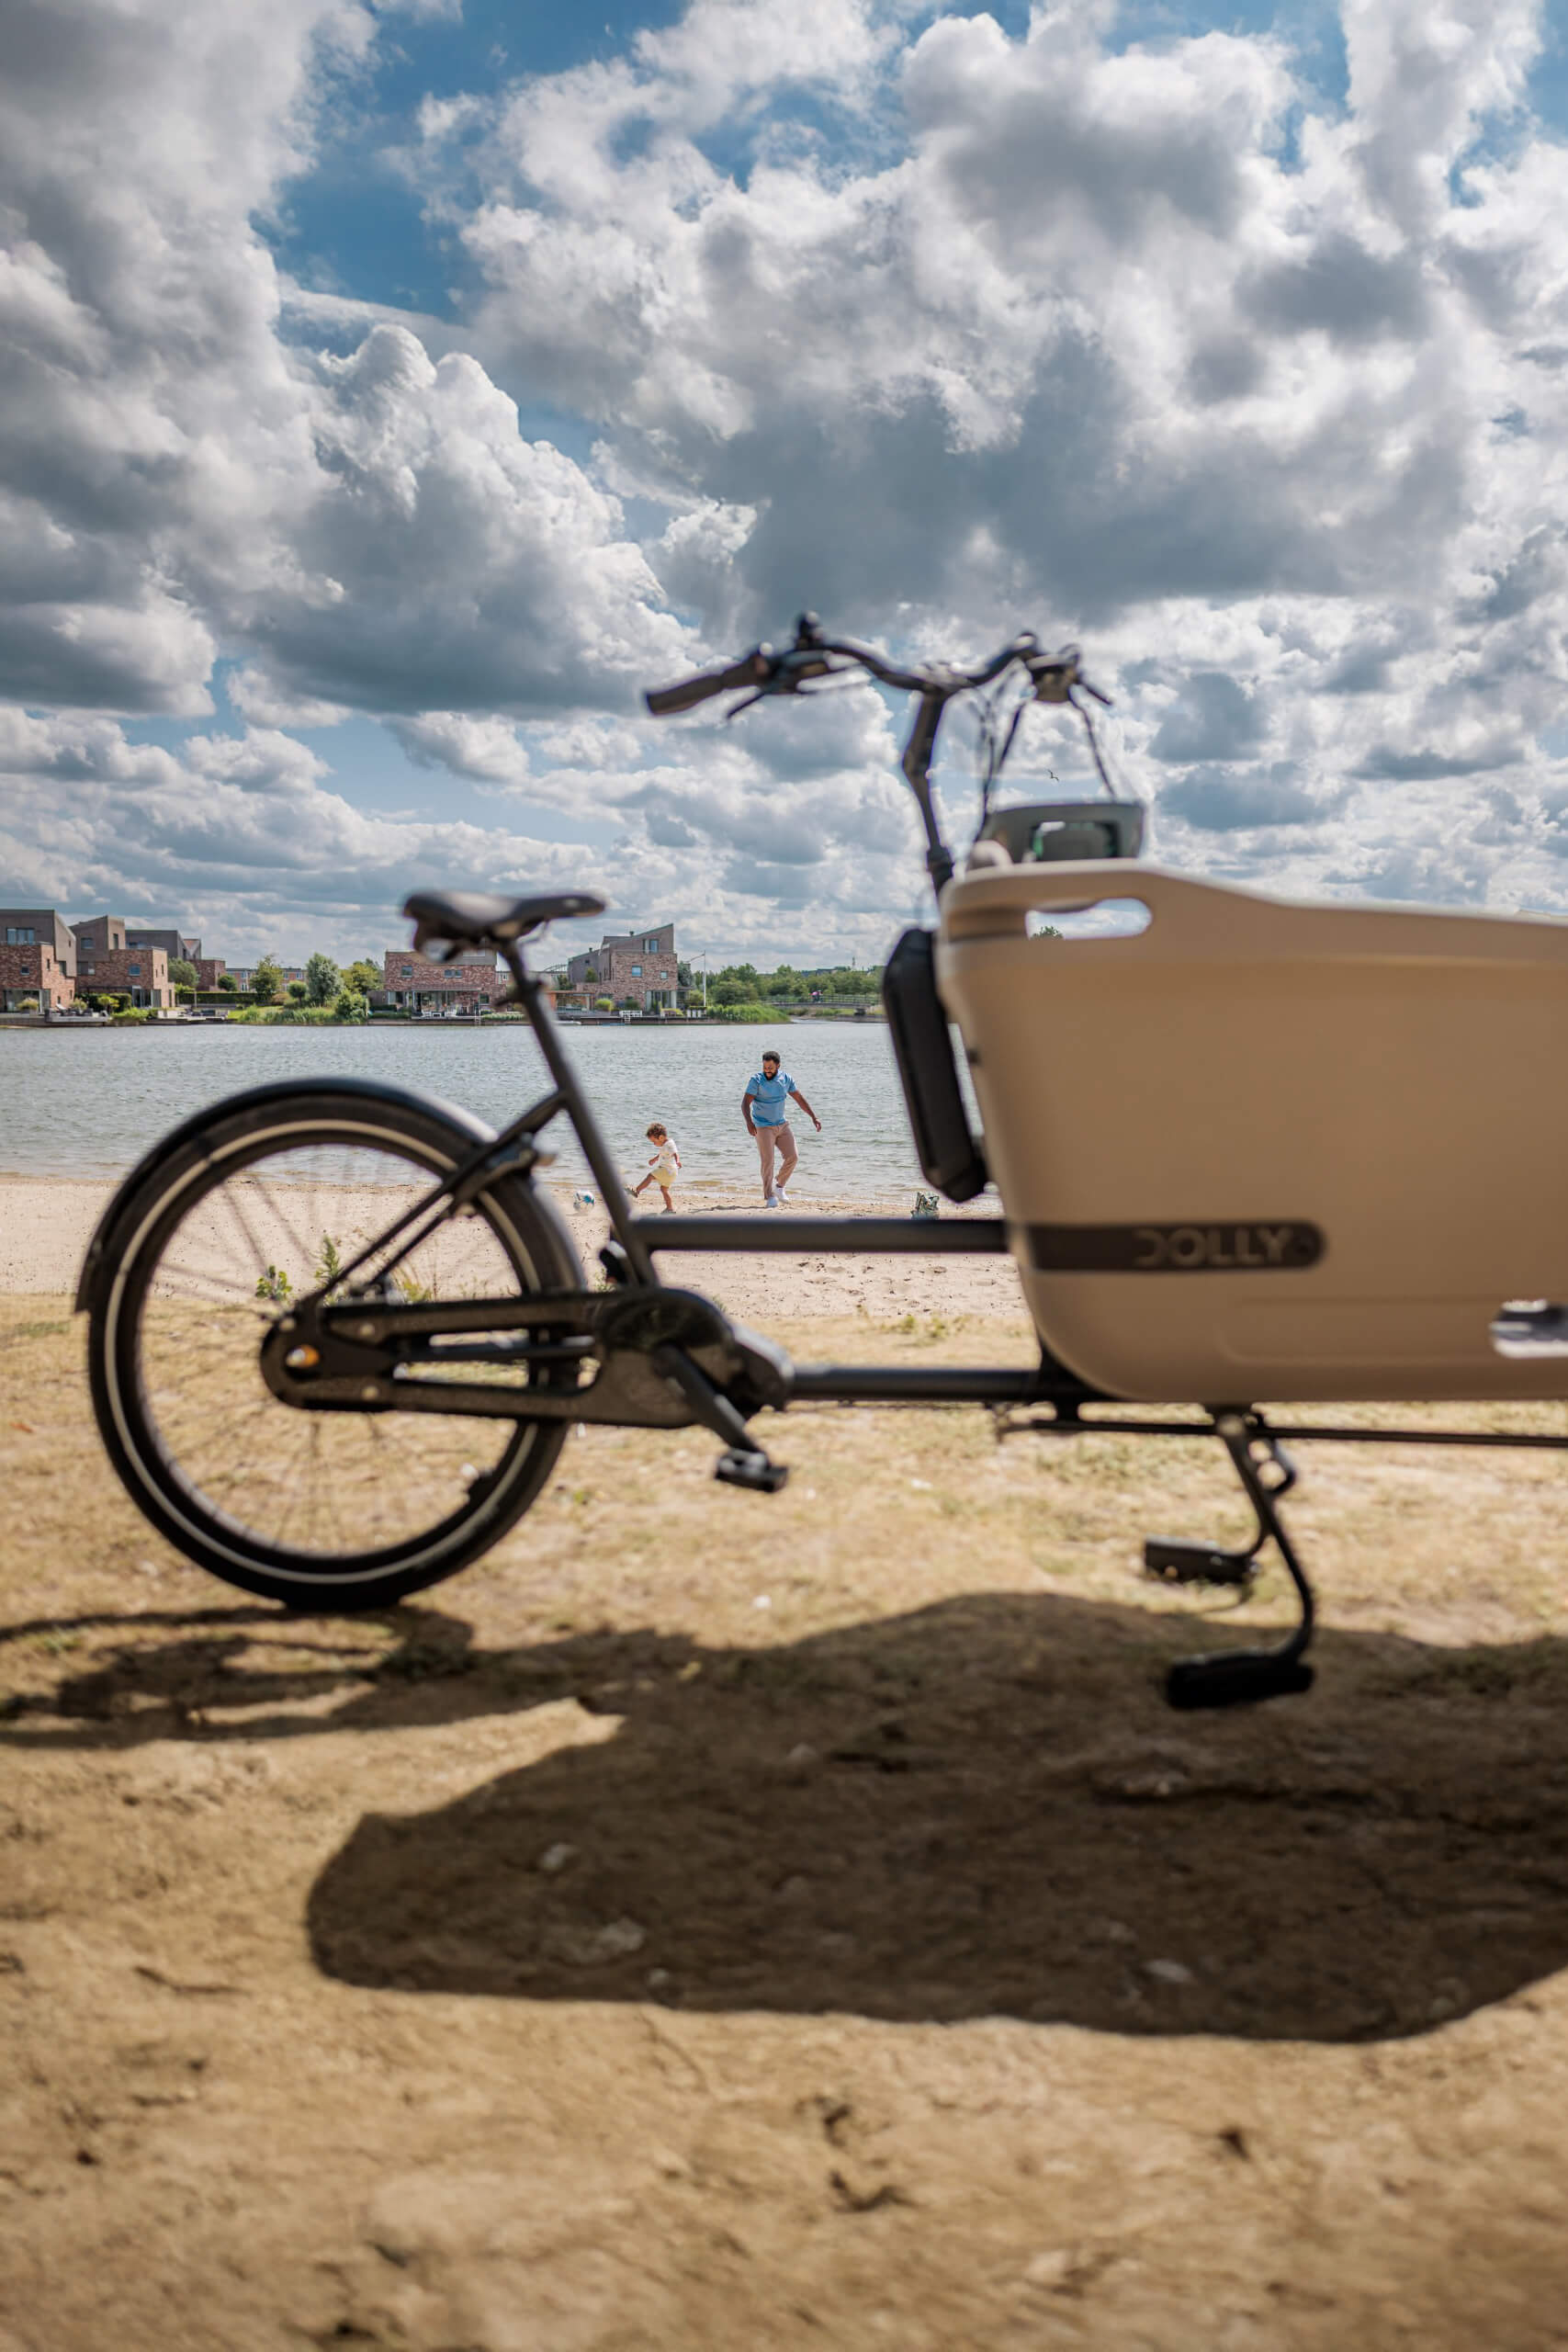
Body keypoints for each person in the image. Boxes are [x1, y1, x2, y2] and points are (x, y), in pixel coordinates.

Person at [741, 1049, 821, 1207]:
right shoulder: (756, 1080)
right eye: (765, 1067)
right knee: (768, 1161)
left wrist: (813, 1116)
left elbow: (799, 1098)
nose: (767, 1070)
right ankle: (769, 1196)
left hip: (782, 1124)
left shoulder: (786, 1079)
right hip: (763, 1126)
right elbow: (745, 1103)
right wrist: (749, 1122)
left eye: (770, 1067)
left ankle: (779, 1187)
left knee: (793, 1156)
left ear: (778, 1066)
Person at [632, 1122, 681, 1213]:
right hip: (671, 1172)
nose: (654, 1144)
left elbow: (675, 1153)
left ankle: (637, 1191)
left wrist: (677, 1161)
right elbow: (662, 1154)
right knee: (664, 1190)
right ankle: (670, 1208)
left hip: (667, 1170)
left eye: (654, 1141)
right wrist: (654, 1159)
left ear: (661, 1137)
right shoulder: (665, 1145)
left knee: (650, 1176)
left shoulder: (670, 1144)